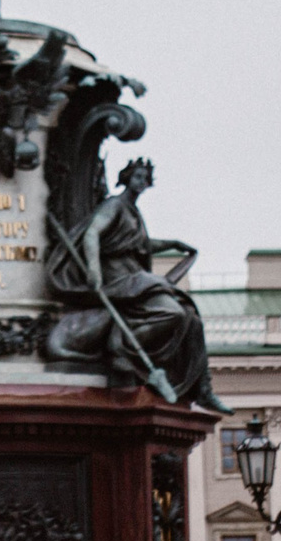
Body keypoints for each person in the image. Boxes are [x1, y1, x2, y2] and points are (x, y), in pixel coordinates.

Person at [45, 157, 223, 411]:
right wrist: (94, 269)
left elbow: (137, 244)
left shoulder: (132, 211)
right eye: (137, 176)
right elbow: (93, 233)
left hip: (134, 278)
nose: (141, 182)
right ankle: (121, 348)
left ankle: (203, 389)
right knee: (173, 312)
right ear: (127, 178)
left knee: (190, 317)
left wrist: (171, 244)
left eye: (145, 178)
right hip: (120, 279)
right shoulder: (115, 205)